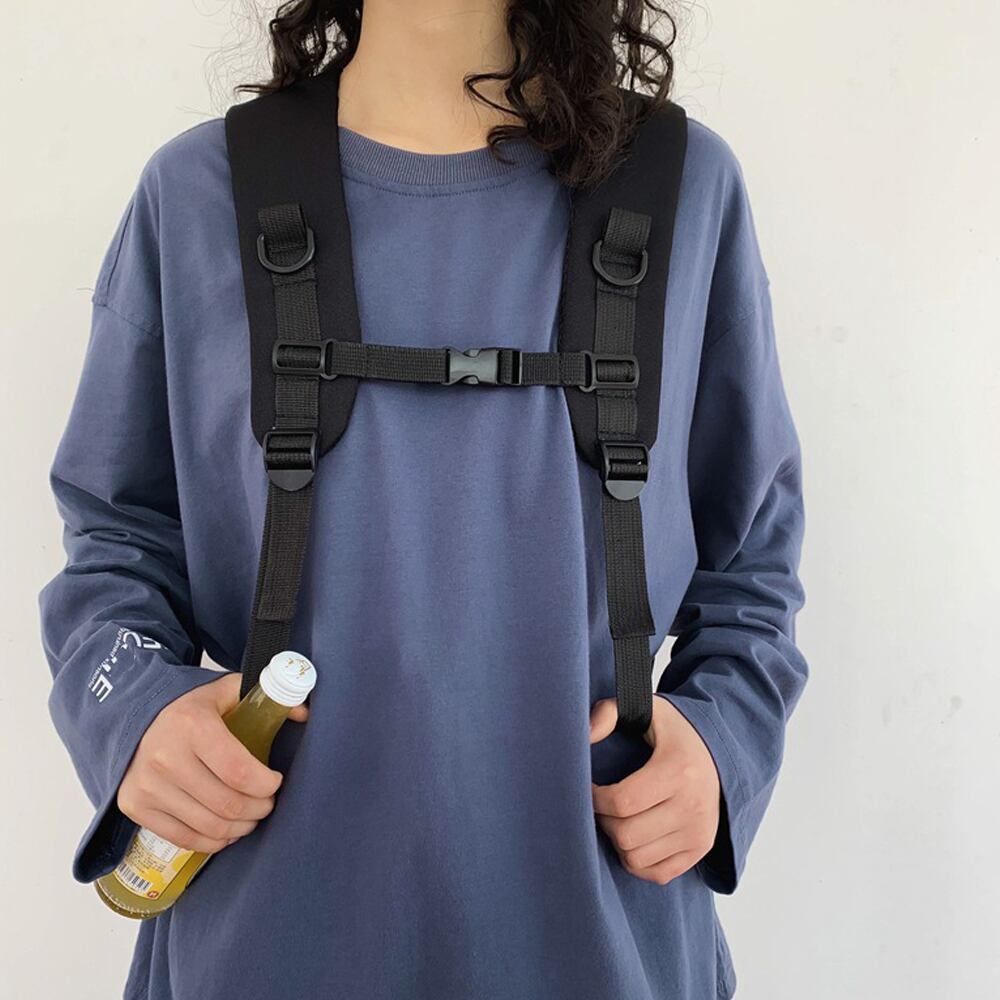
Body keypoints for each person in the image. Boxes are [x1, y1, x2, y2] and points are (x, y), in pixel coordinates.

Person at [38, 2, 808, 998]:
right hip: (262, 952)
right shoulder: (197, 194)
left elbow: (751, 566)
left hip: (606, 948)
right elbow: (114, 540)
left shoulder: (682, 188)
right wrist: (137, 715)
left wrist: (718, 746)